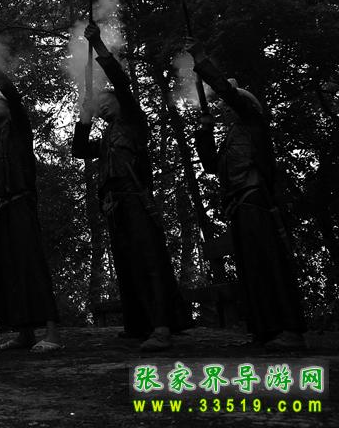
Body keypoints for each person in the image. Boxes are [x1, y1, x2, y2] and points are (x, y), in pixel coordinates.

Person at [72, 22, 189, 351]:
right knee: (126, 263)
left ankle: (162, 326)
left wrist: (98, 46)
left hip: (136, 199)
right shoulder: (107, 137)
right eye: (100, 103)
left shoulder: (134, 124)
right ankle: (139, 324)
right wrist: (84, 119)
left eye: (107, 100)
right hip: (114, 204)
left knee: (149, 260)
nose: (103, 104)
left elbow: (121, 84)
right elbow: (79, 150)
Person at [188, 40, 306, 350]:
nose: (229, 107)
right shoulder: (232, 136)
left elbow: (229, 94)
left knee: (270, 265)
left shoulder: (254, 123)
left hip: (256, 202)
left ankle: (290, 330)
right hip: (238, 206)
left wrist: (200, 59)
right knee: (252, 269)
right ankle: (264, 330)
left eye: (235, 103)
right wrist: (204, 131)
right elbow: (211, 165)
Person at [0, 62, 61, 353]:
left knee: (31, 264)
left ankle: (53, 333)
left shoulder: (20, 127)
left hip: (20, 202)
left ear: (8, 107)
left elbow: (14, 96)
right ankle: (24, 333)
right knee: (8, 268)